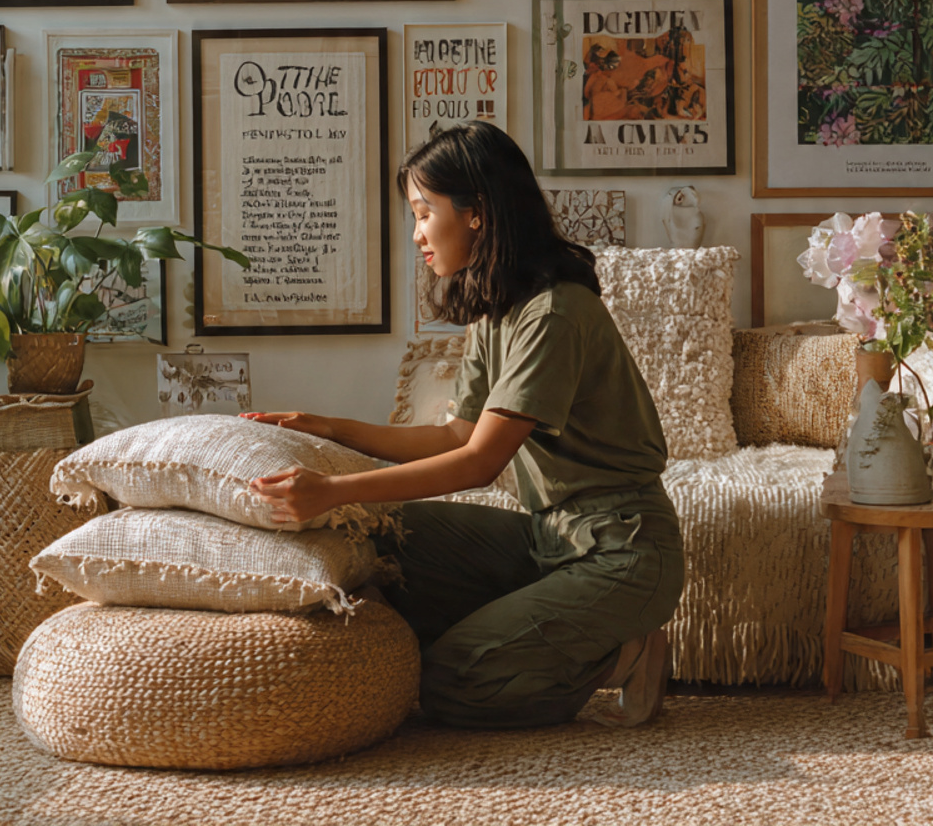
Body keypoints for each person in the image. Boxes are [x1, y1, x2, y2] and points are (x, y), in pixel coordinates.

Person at [248, 122, 685, 729]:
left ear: (476, 213)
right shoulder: (496, 311)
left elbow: (480, 463)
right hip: (549, 537)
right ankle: (544, 633)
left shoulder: (553, 313)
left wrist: (334, 491)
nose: (418, 234)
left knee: (449, 683)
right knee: (384, 536)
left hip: (623, 550)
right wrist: (330, 428)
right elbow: (455, 434)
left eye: (425, 212)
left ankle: (619, 654)